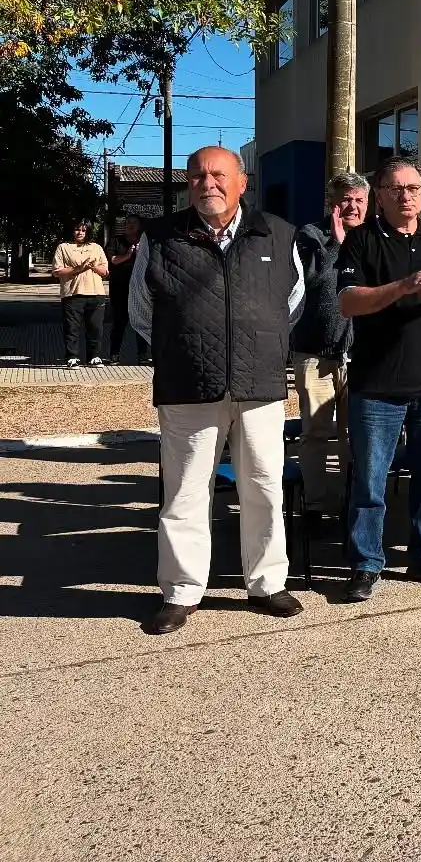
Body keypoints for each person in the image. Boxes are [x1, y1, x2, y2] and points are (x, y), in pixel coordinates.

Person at [128, 146, 305, 635]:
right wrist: (183, 347)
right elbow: (141, 310)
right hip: (187, 385)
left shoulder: (278, 233)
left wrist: (258, 345)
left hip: (260, 384)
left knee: (264, 486)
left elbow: (292, 303)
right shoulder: (160, 237)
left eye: (219, 174)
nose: (209, 182)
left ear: (242, 182)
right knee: (184, 491)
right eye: (198, 175)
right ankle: (182, 591)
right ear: (188, 183)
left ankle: (267, 583)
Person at [337, 157, 421, 602]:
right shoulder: (361, 240)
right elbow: (349, 303)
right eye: (396, 189)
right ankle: (366, 563)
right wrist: (404, 286)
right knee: (371, 482)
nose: (406, 195)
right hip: (376, 385)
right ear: (380, 195)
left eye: (413, 187)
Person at [292, 172, 368, 516]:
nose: (352, 206)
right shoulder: (310, 235)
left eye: (359, 200)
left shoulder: (374, 237)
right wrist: (338, 245)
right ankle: (316, 504)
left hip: (362, 353)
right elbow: (308, 284)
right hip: (315, 351)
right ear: (332, 202)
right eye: (346, 199)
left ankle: (356, 500)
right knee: (316, 432)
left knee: (357, 432)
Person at [54, 220, 108, 367]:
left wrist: (92, 266)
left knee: (95, 328)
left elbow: (105, 271)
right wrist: (78, 268)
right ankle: (72, 357)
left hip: (96, 293)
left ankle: (94, 357)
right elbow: (58, 271)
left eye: (83, 230)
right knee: (72, 328)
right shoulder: (63, 247)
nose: (80, 233)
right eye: (77, 230)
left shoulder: (96, 247)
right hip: (73, 294)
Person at [107, 215, 149, 364]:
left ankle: (142, 355)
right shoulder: (116, 240)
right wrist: (128, 255)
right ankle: (114, 354)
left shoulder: (145, 241)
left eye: (134, 223)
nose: (130, 225)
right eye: (128, 223)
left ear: (140, 225)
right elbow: (112, 261)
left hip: (140, 288)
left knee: (141, 320)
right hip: (120, 288)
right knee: (119, 322)